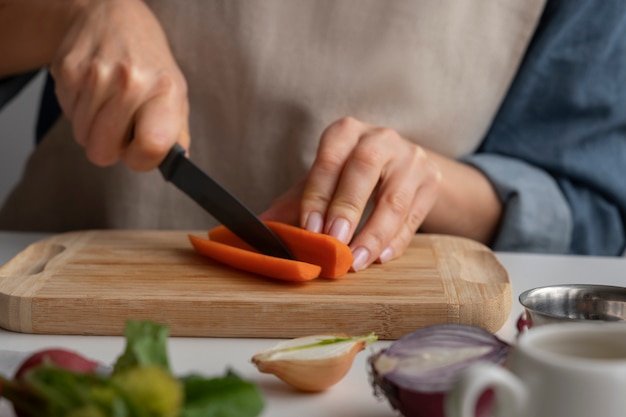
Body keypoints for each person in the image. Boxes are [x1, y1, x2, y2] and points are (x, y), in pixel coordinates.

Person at [0, 0, 624, 272]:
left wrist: (429, 185)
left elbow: (593, 212)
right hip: (62, 302)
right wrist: (76, 12)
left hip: (386, 355)